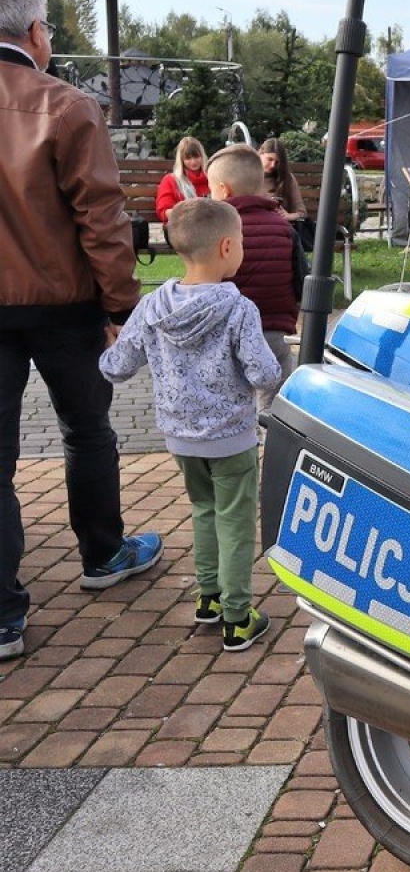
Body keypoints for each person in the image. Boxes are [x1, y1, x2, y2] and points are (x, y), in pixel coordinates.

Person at [1, 0, 163, 661]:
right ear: (36, 34)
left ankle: (3, 618)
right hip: (66, 305)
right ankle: (102, 554)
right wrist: (121, 307)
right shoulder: (64, 105)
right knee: (86, 429)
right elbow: (101, 217)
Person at [99, 198, 279, 651]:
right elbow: (264, 375)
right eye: (239, 243)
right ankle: (238, 617)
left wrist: (107, 344)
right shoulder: (239, 310)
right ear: (224, 247)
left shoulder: (152, 307)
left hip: (180, 437)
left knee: (203, 510)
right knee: (235, 522)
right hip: (230, 437)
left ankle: (209, 597)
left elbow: (116, 367)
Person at [207, 145, 302, 411]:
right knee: (273, 407)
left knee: (230, 405)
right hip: (275, 331)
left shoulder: (217, 231)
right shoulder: (284, 228)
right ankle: (272, 449)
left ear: (224, 191)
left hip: (228, 333)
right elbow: (299, 280)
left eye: (211, 189)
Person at [259, 137, 311, 249]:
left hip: (280, 227)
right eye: (269, 159)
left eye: (277, 162)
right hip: (257, 225)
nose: (273, 165)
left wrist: (288, 216)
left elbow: (301, 212)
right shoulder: (249, 176)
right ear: (261, 155)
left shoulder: (287, 179)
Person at [155, 136, 210, 223]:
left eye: (196, 157)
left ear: (202, 156)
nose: (193, 162)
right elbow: (164, 211)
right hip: (182, 226)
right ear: (181, 160)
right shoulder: (170, 180)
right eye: (188, 158)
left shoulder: (212, 178)